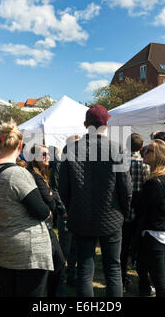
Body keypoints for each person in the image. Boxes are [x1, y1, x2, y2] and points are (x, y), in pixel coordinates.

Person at [58, 105, 132, 297]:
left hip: (83, 215)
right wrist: (125, 210)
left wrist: (71, 207)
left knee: (85, 269)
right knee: (113, 269)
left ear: (85, 124)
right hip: (111, 215)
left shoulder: (71, 149)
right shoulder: (116, 148)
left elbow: (63, 187)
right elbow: (125, 187)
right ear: (106, 124)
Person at [0, 121, 53, 297]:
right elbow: (42, 211)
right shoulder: (17, 174)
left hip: (1, 248)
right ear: (20, 146)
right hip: (26, 253)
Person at [138, 139, 165, 297]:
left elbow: (143, 205)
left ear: (158, 156)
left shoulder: (154, 181)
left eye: (149, 150)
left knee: (159, 279)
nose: (145, 153)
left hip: (156, 233)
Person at [27, 144, 66, 297]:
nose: (48, 156)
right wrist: (50, 197)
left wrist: (50, 195)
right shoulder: (35, 176)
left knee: (56, 263)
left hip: (45, 226)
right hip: (41, 227)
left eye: (48, 154)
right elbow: (50, 203)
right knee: (57, 263)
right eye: (44, 154)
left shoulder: (41, 174)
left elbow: (51, 198)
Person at [123, 133, 152, 296]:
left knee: (122, 249)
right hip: (141, 213)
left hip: (124, 212)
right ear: (142, 147)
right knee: (141, 251)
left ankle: (122, 280)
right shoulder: (145, 165)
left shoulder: (120, 163)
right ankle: (143, 283)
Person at [52, 136, 78, 288]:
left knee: (75, 247)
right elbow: (55, 189)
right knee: (65, 248)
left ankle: (71, 275)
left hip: (78, 212)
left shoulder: (82, 164)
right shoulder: (60, 164)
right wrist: (63, 211)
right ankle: (60, 277)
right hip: (66, 213)